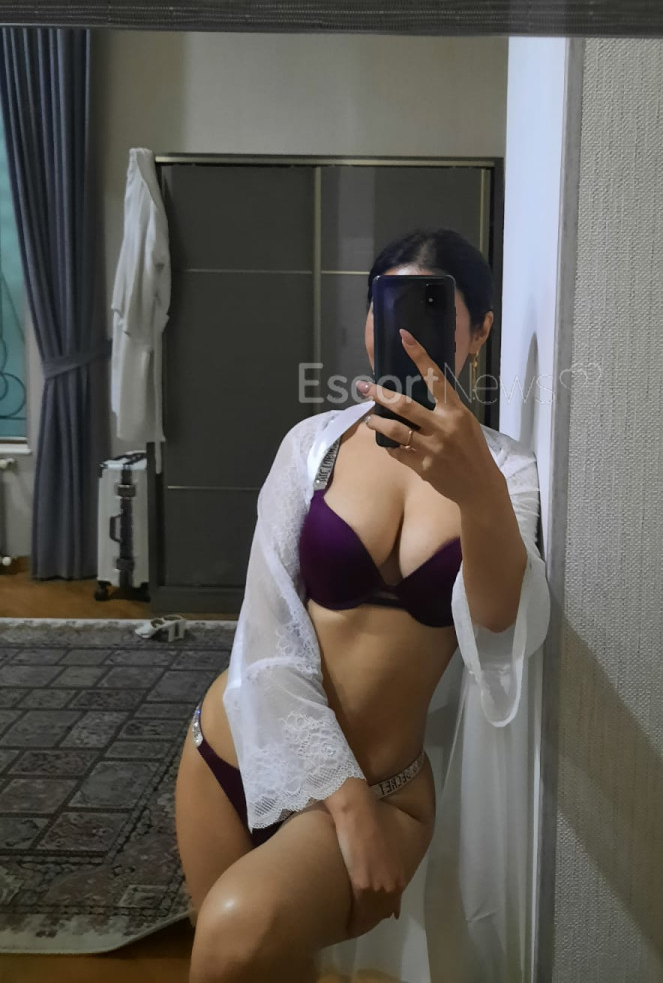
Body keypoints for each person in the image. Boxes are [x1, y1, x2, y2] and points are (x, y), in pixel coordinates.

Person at [174, 228, 551, 983]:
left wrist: (474, 490)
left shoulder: (508, 472)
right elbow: (266, 634)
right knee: (241, 966)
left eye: (432, 309)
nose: (404, 331)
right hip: (235, 748)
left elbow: (500, 623)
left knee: (237, 936)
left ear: (479, 331)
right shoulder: (312, 446)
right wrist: (345, 807)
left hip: (386, 791)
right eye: (387, 306)